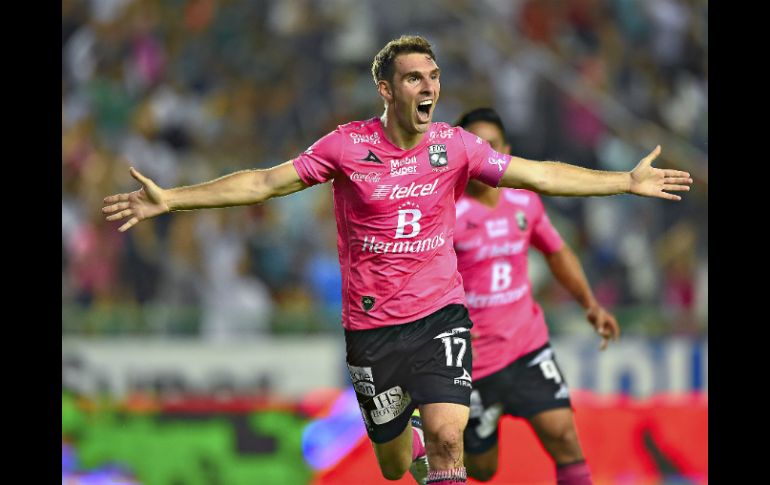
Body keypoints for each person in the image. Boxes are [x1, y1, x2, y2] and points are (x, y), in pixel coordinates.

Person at [103, 35, 691, 485]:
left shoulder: (455, 146)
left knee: (448, 438)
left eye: (433, 77)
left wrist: (625, 181)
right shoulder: (346, 146)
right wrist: (172, 198)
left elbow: (540, 174)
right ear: (386, 89)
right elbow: (261, 182)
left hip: (441, 316)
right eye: (414, 78)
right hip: (372, 329)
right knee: (392, 464)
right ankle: (403, 433)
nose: (428, 87)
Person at [454, 107, 620, 485]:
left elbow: (556, 252)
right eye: (475, 147)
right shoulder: (447, 210)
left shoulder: (524, 201)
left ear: (506, 152)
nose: (484, 155)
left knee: (564, 437)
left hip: (528, 348)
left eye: (492, 146)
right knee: (483, 470)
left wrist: (590, 305)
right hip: (472, 362)